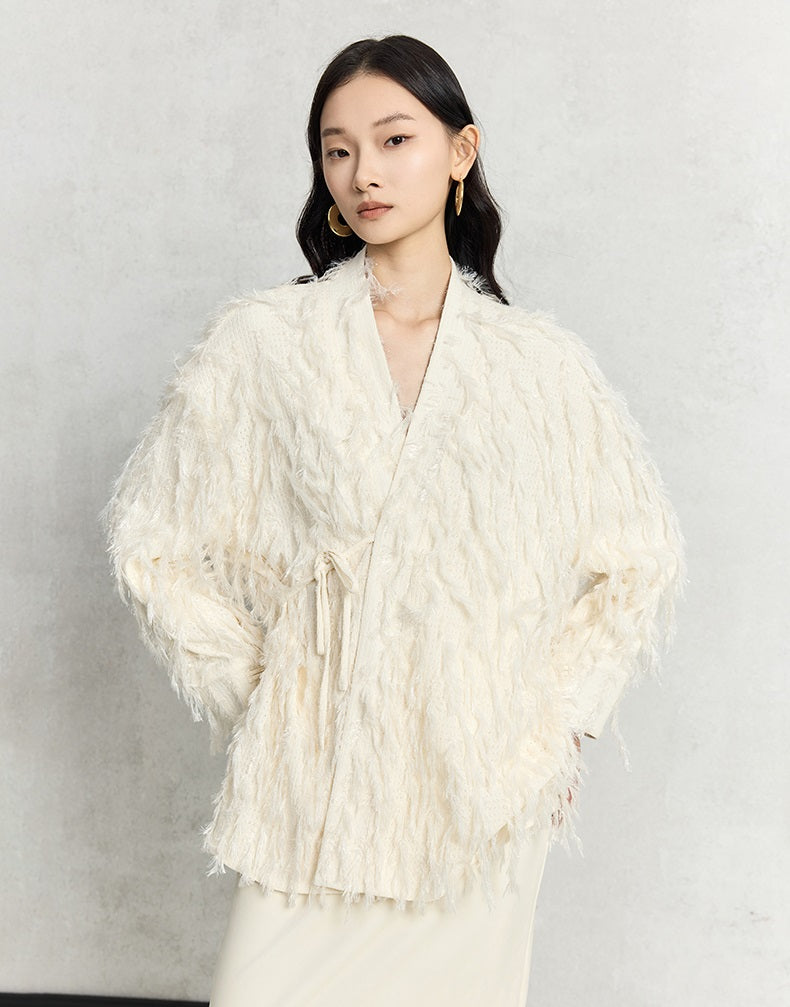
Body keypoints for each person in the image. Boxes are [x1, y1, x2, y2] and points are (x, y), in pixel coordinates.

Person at [103, 34, 686, 1006]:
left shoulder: (538, 365)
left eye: (393, 139)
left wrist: (549, 729)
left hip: (475, 800)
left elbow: (640, 561)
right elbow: (151, 544)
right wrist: (269, 694)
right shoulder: (262, 344)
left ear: (461, 151)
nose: (363, 172)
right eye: (336, 150)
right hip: (311, 792)